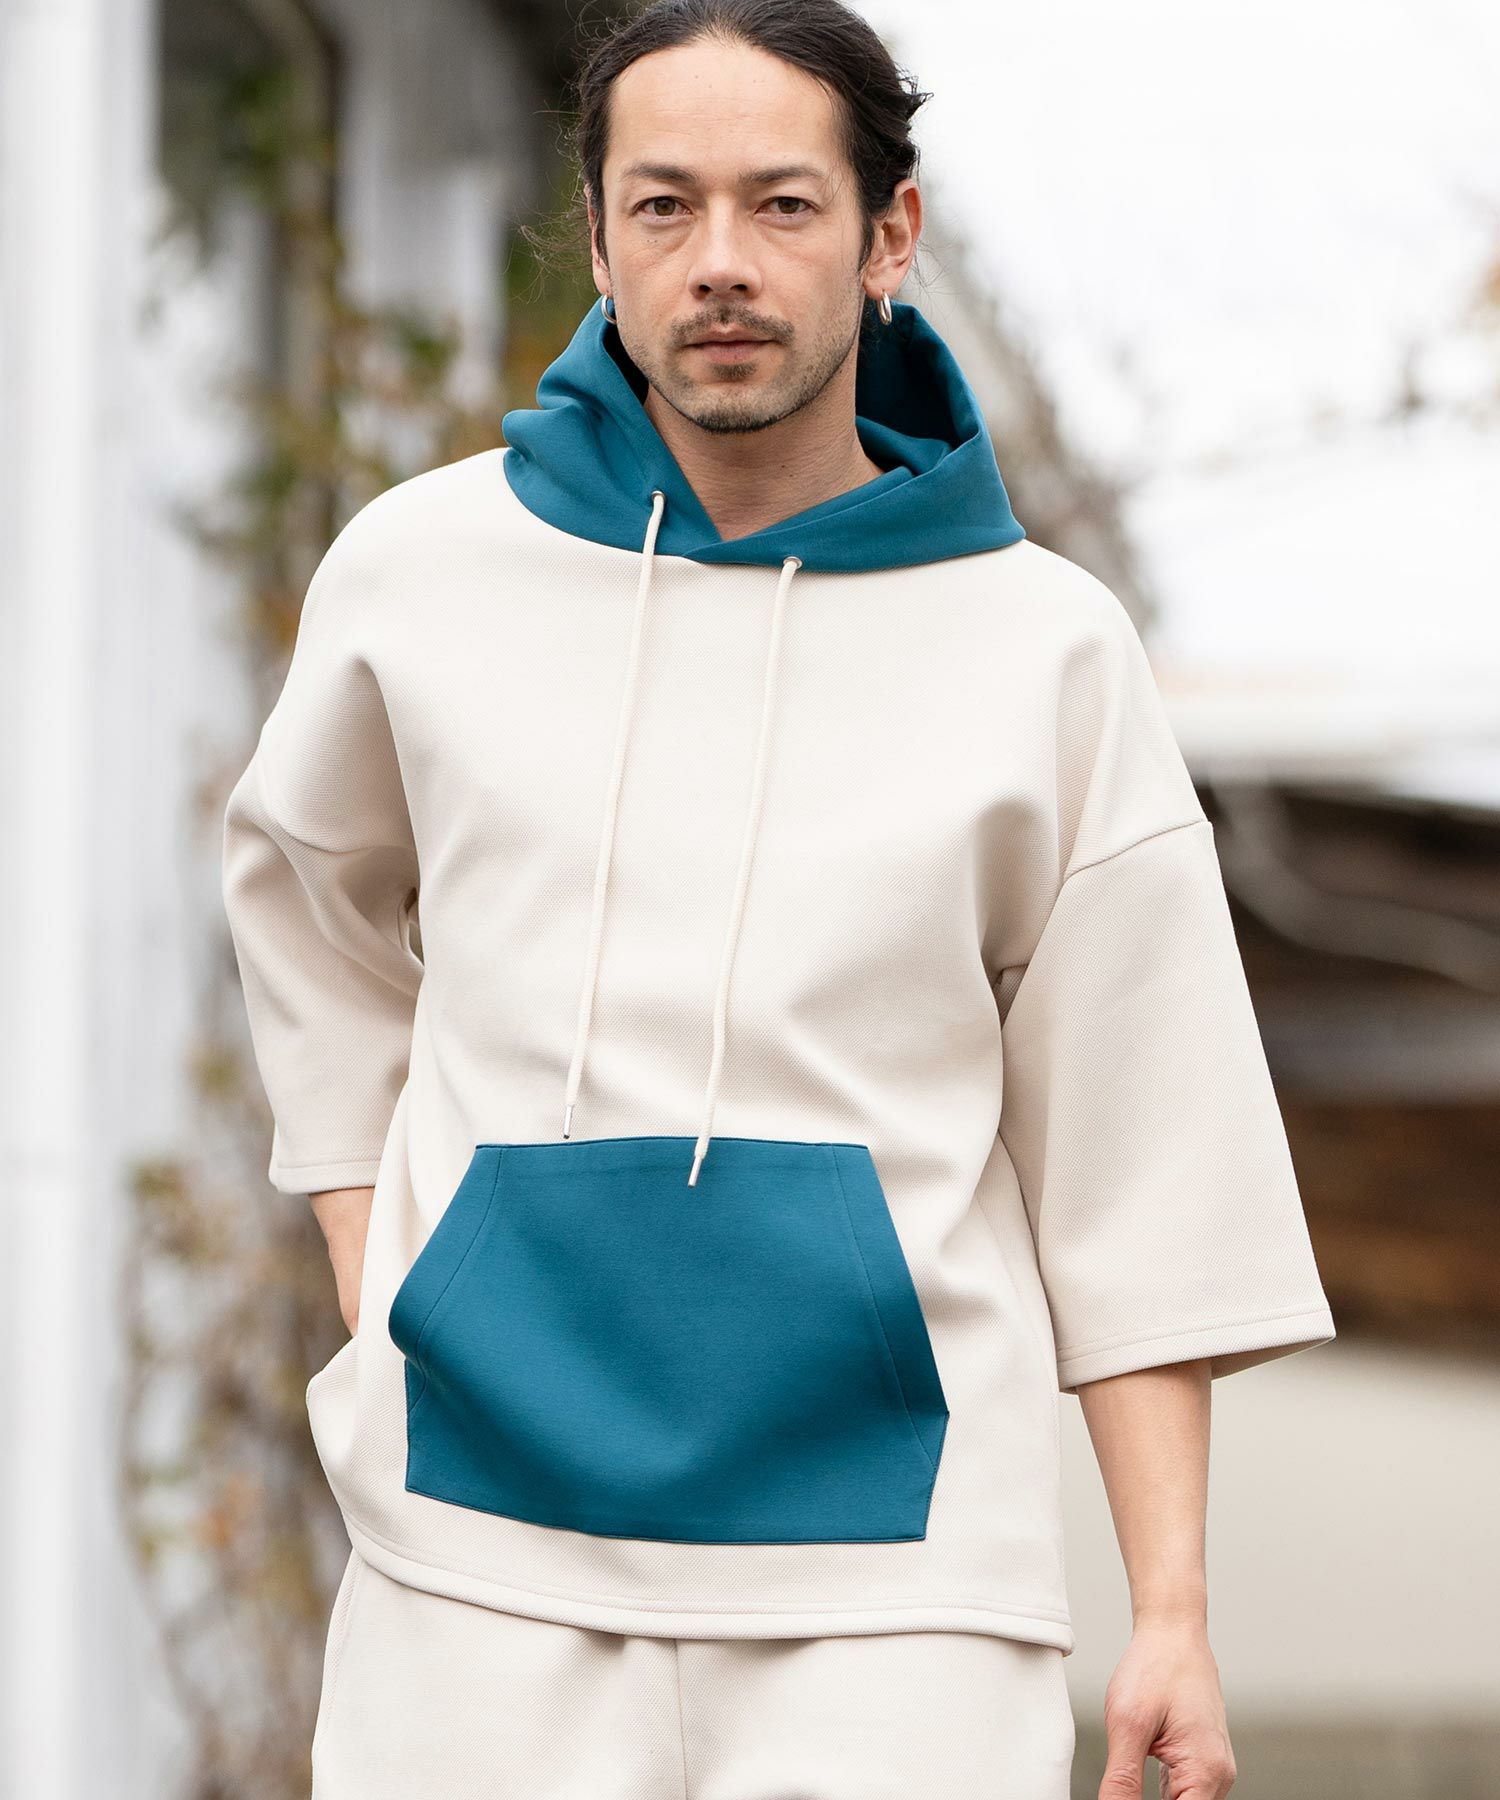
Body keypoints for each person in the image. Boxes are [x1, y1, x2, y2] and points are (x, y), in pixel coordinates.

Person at [220, 2, 1337, 1795]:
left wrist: (1174, 1613)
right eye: (663, 206)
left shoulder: (1042, 647)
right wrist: (385, 1267)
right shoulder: (420, 575)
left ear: (891, 234)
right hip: (478, 1557)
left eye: (783, 204)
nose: (720, 261)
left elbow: (1144, 1150)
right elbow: (309, 908)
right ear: (599, 243)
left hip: (899, 1593)